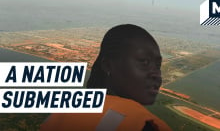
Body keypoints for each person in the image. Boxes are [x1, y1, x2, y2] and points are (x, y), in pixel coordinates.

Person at [40, 24, 172, 131]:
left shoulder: (65, 112)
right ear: (108, 65)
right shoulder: (141, 125)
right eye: (144, 62)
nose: (156, 74)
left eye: (158, 65)